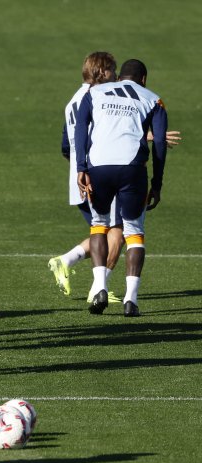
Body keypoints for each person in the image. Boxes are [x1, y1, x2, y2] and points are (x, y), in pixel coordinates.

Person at [49, 53, 181, 302]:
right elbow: (109, 131)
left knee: (105, 227)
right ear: (103, 73)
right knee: (119, 231)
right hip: (108, 167)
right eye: (112, 71)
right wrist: (146, 139)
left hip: (84, 173)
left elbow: (67, 144)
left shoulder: (74, 100)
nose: (116, 76)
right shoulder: (102, 96)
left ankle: (69, 262)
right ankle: (98, 289)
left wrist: (79, 169)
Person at [75, 59, 168, 316]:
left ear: (120, 77)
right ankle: (131, 300)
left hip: (99, 167)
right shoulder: (154, 100)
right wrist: (157, 183)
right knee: (134, 231)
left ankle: (100, 287)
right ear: (144, 79)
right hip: (132, 169)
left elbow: (81, 127)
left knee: (99, 224)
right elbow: (159, 142)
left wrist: (81, 167)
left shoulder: (94, 92)